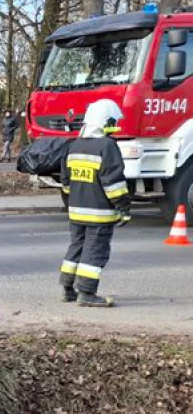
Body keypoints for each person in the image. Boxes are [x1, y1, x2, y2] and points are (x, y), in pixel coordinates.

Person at [59, 98, 130, 308]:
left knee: (76, 247)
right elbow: (114, 183)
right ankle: (87, 293)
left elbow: (66, 181)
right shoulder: (107, 146)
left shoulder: (74, 145)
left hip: (76, 211)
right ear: (105, 122)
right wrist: (123, 208)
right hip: (99, 212)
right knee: (95, 250)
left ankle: (67, 288)